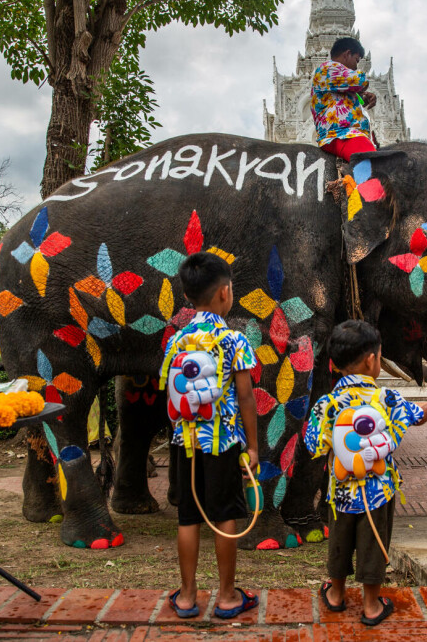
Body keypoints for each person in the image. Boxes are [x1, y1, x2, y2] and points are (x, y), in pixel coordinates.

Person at [306, 320, 427, 626]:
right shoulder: (388, 399)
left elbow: (313, 445)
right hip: (379, 493)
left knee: (339, 543)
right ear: (372, 360)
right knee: (374, 544)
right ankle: (371, 606)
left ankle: (336, 595)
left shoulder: (327, 403)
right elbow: (418, 417)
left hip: (341, 493)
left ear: (335, 363)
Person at [165, 252, 260, 620]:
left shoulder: (176, 340)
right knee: (225, 516)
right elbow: (246, 398)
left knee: (187, 518)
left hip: (185, 444)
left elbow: (171, 393)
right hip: (223, 444)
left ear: (187, 296)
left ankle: (187, 596)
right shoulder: (234, 340)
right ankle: (227, 596)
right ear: (225, 293)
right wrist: (253, 447)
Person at [311, 37, 378, 162]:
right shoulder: (328, 69)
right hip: (340, 134)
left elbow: (352, 100)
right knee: (372, 162)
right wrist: (362, 85)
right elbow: (361, 81)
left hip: (346, 133)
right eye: (356, 60)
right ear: (347, 54)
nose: (356, 67)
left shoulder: (339, 81)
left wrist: (363, 98)